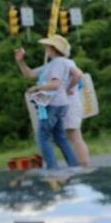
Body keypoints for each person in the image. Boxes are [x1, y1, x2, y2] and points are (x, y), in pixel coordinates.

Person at [15, 35, 80, 169]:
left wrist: (37, 87)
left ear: (52, 48)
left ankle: (52, 168)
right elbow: (30, 74)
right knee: (60, 137)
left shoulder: (58, 63)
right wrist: (20, 61)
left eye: (47, 46)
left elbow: (55, 84)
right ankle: (74, 166)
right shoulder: (52, 64)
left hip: (51, 104)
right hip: (57, 104)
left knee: (43, 137)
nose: (45, 49)